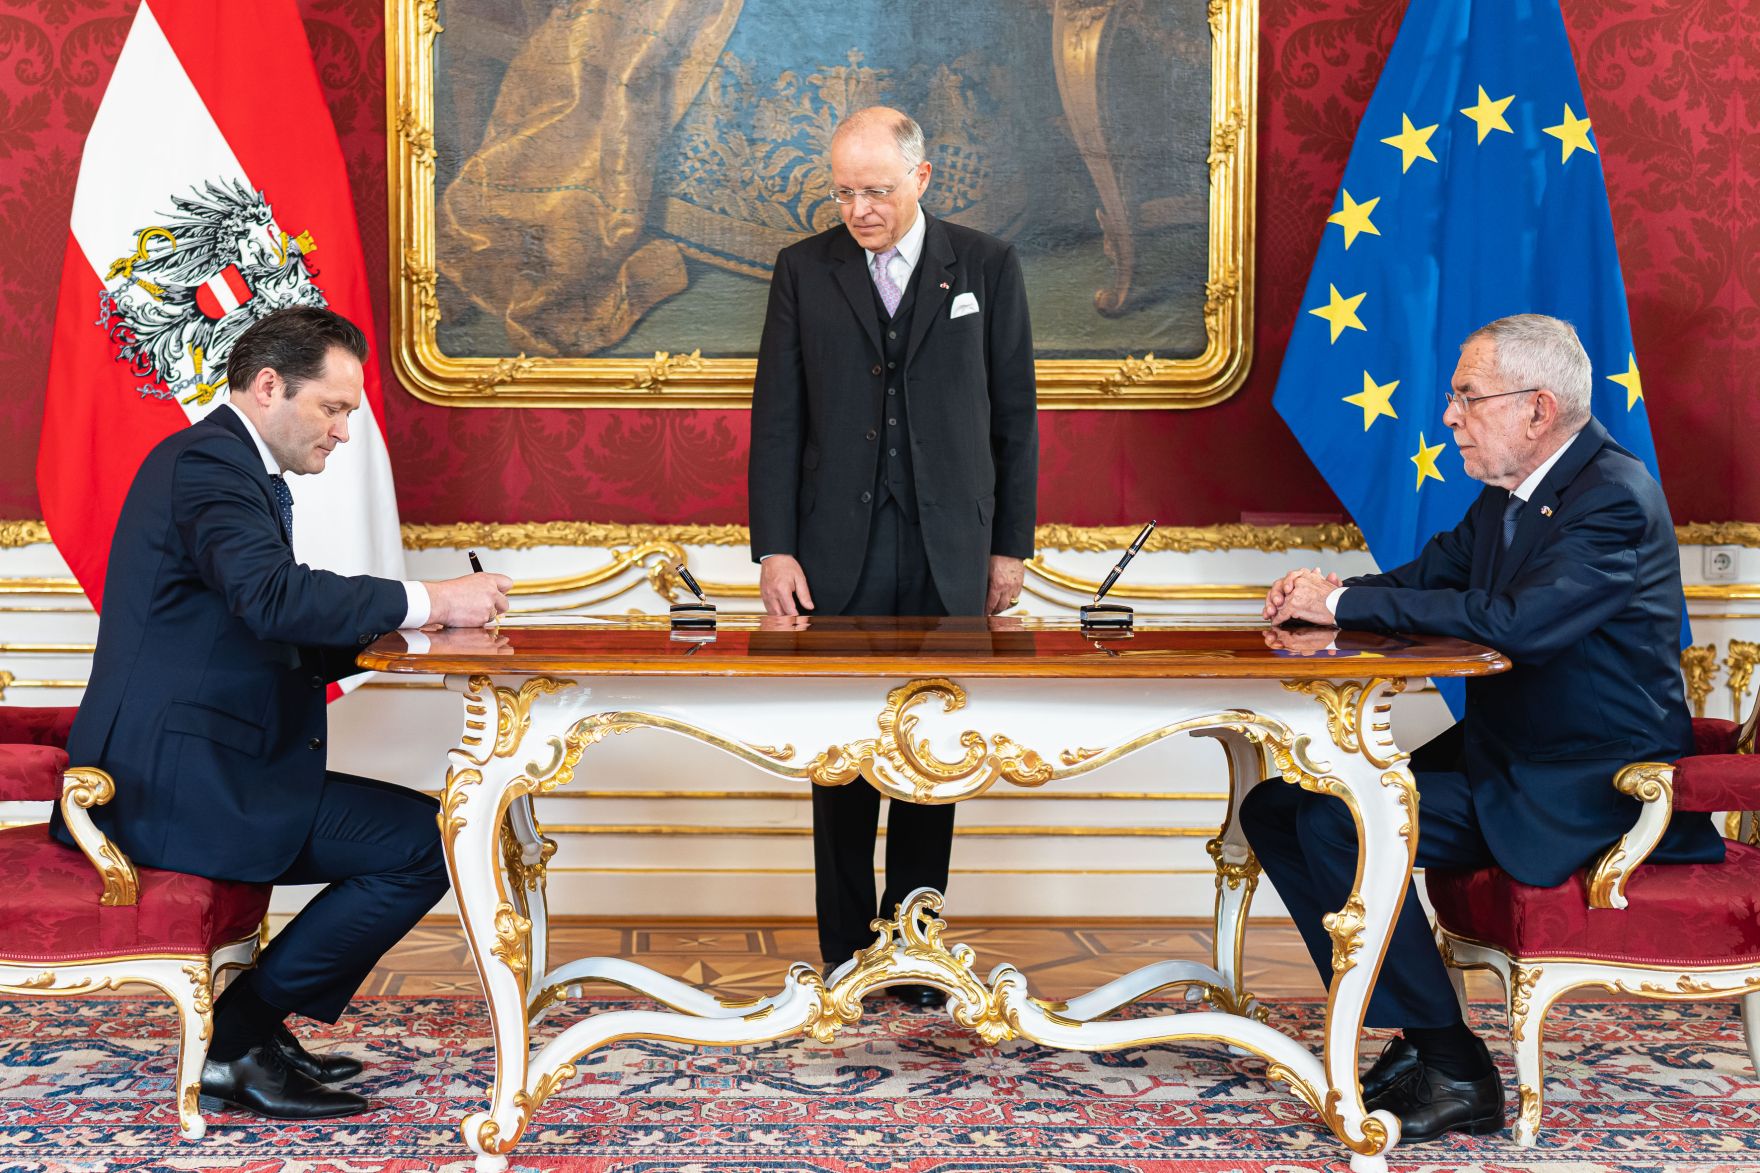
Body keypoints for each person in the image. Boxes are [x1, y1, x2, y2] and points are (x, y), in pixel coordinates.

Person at [1246, 313, 1723, 1142]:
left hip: (1586, 785)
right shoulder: (1512, 499)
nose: (1450, 416)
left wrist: (1345, 603)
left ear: (1538, 409)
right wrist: (1321, 598)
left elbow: (1518, 622)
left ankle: (1457, 1068)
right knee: (1277, 808)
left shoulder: (1612, 495)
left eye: (1468, 396)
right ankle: (1418, 1040)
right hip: (1510, 757)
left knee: (1337, 820)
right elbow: (1422, 581)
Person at [56, 306, 513, 1120]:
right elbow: (271, 600)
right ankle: (237, 1038)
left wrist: (416, 627)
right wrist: (430, 597)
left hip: (207, 764)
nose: (343, 431)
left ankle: (248, 1036)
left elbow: (251, 627)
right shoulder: (206, 462)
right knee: (418, 845)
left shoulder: (229, 463)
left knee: (419, 835)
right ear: (269, 386)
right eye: (334, 408)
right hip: (175, 784)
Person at [747, 106, 1038, 1005]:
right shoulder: (804, 269)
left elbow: (1014, 418)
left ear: (921, 177)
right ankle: (844, 954)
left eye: (875, 190)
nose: (860, 210)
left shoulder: (986, 266)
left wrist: (1009, 548)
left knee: (932, 751)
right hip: (836, 550)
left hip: (951, 548)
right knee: (841, 756)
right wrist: (776, 549)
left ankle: (914, 944)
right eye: (844, 192)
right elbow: (777, 417)